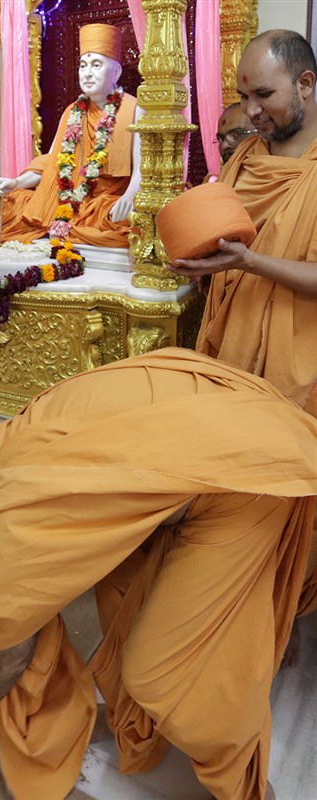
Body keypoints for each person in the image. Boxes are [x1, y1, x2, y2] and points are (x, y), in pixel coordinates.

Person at [0, 349, 317, 800]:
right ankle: (132, 721)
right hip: (252, 412)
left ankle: (247, 783)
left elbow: (11, 653)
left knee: (160, 676)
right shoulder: (30, 420)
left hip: (245, 484)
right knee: (121, 583)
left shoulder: (14, 518)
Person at [169, 29, 317, 614]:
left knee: (287, 495)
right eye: (242, 95)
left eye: (264, 95)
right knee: (230, 486)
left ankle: (284, 610)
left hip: (300, 363)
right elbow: (225, 242)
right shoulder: (246, 159)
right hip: (232, 351)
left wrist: (250, 262)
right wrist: (205, 262)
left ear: (306, 83)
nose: (251, 112)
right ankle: (237, 607)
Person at [0, 23, 142, 249]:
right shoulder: (72, 111)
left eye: (96, 65)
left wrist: (130, 197)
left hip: (105, 202)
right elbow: (53, 161)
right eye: (83, 65)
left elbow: (143, 169)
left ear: (115, 72)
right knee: (11, 204)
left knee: (125, 219)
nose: (87, 73)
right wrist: (16, 182)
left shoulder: (134, 109)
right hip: (68, 198)